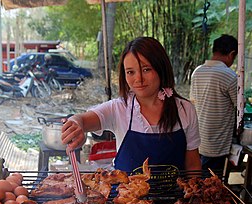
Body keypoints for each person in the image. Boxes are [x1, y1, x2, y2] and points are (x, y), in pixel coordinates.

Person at [62, 36, 201, 173]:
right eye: (130, 72)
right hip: (126, 195)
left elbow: (193, 165)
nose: (138, 79)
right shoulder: (118, 108)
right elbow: (82, 119)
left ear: (161, 68)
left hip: (174, 195)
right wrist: (76, 124)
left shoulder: (185, 109)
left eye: (146, 69)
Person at [190, 34, 238, 171]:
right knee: (212, 183)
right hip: (217, 143)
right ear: (231, 54)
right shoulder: (229, 75)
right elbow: (239, 106)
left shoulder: (197, 72)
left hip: (198, 139)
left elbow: (193, 101)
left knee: (198, 179)